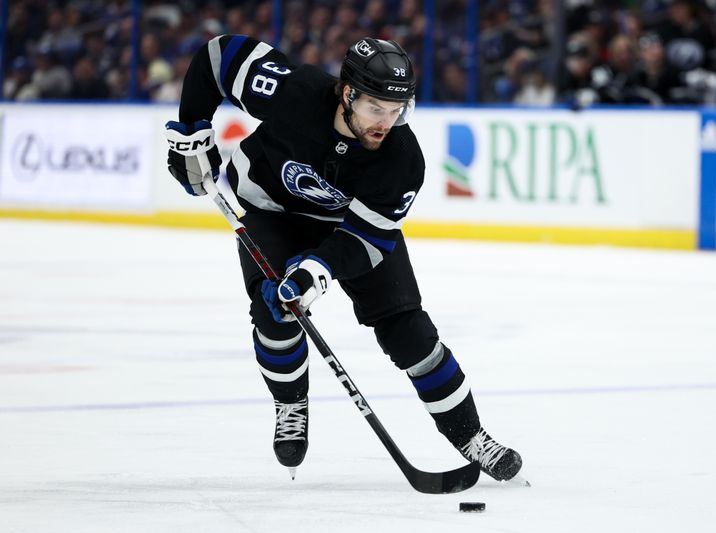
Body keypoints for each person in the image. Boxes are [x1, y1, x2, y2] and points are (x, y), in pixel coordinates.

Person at [164, 35, 524, 483]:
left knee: (409, 330)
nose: (386, 122)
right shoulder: (292, 91)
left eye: (398, 110)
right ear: (347, 92)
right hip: (272, 212)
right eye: (376, 108)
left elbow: (367, 239)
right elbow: (219, 57)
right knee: (275, 311)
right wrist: (193, 131)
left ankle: (471, 437)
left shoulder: (402, 160)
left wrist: (317, 269)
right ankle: (291, 403)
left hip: (347, 230)